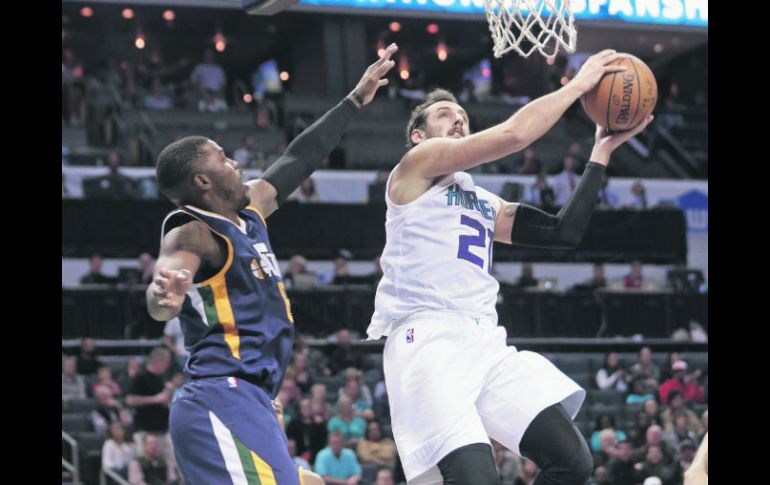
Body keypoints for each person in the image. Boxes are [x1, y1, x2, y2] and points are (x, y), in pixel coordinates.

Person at [366, 49, 652, 484]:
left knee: (572, 460)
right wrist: (577, 87)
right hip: (427, 340)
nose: (458, 119)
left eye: (462, 114)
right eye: (445, 115)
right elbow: (516, 134)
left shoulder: (483, 202)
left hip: (484, 342)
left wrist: (601, 152)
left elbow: (563, 232)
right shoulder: (414, 168)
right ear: (419, 135)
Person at [145, 44, 398, 485]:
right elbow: (165, 290)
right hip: (220, 395)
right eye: (222, 159)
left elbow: (299, 159)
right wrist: (164, 291)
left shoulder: (250, 212)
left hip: (253, 399)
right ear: (203, 181)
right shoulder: (191, 232)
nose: (235, 162)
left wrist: (354, 100)